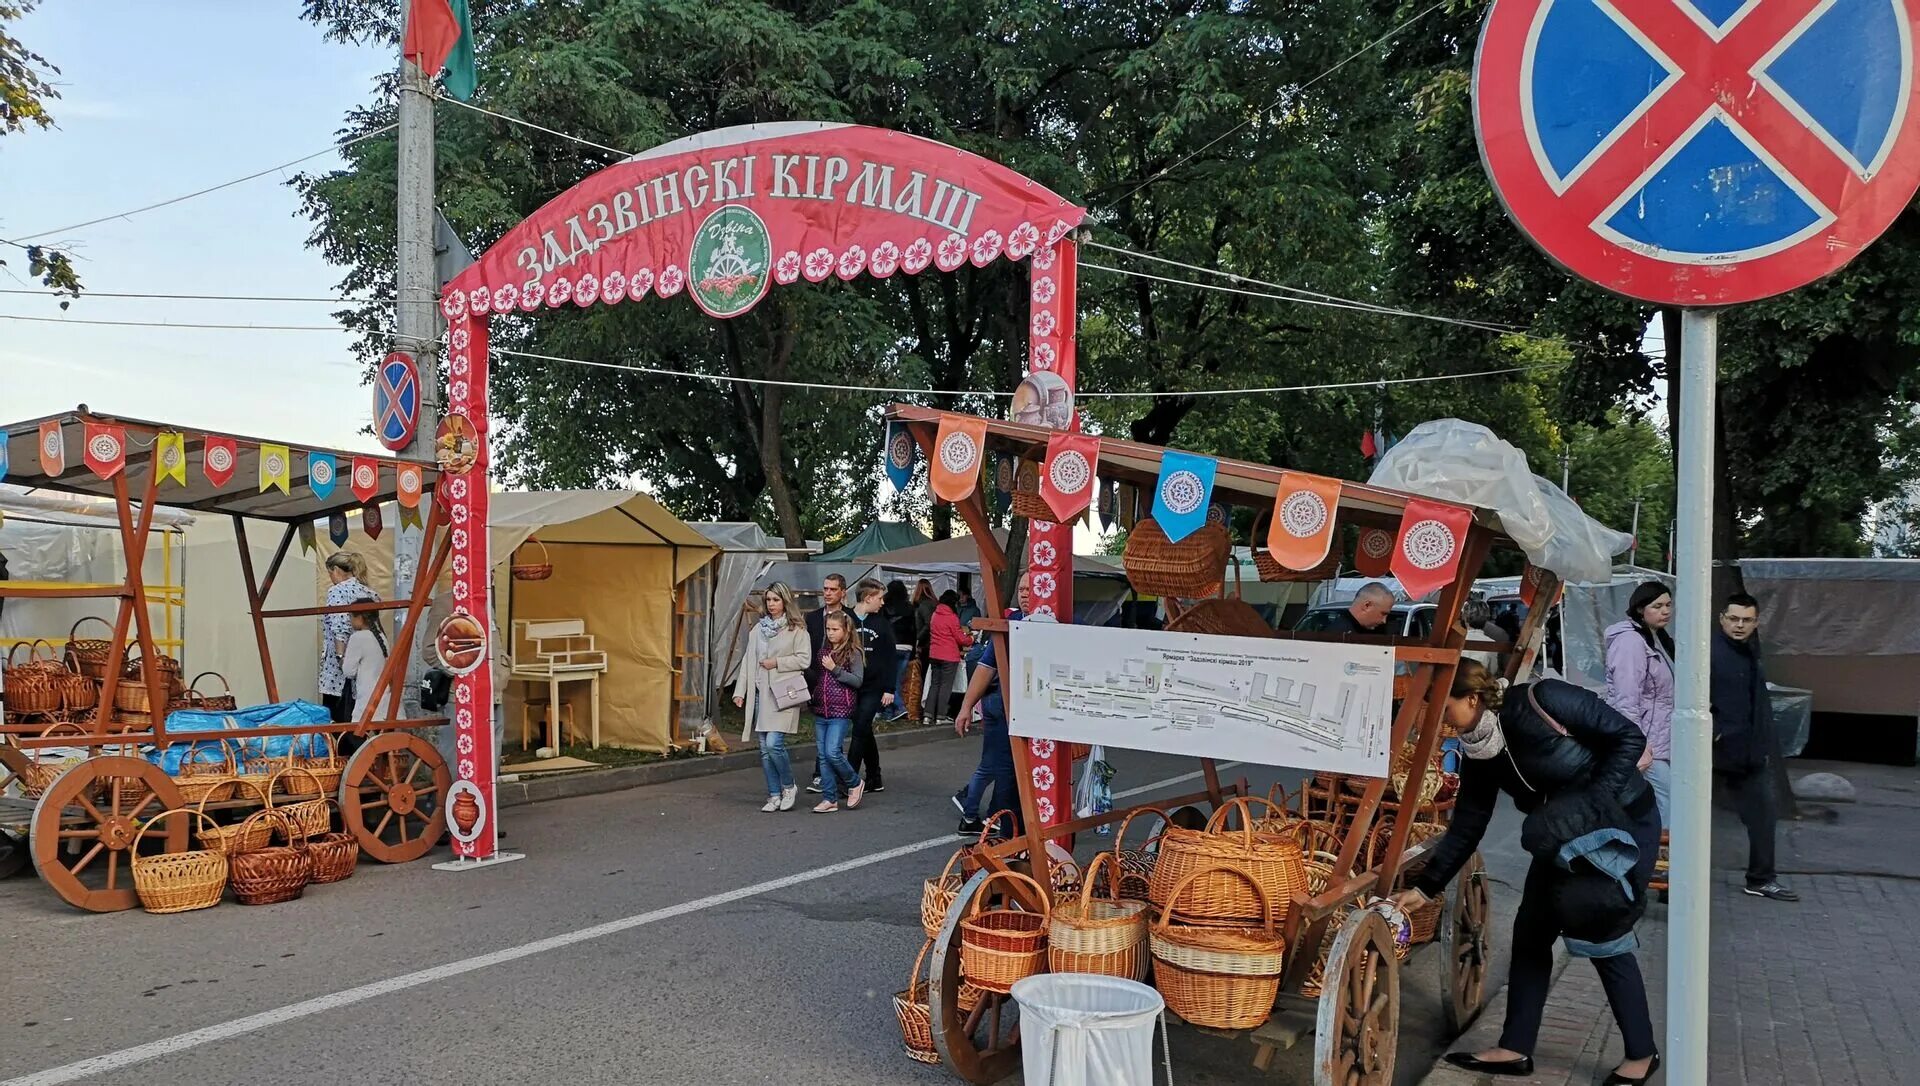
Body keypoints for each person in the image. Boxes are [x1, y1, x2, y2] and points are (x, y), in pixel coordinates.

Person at [1393, 660, 1660, 1086]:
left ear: (1473, 699)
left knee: (1600, 930)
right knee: (1532, 932)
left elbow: (1628, 736)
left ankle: (1641, 1053)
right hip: (1560, 837)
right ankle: (1514, 1047)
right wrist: (1426, 888)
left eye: (1444, 710)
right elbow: (1468, 824)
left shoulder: (1543, 700)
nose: (1440, 723)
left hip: (1619, 826)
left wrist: (1592, 802)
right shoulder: (1479, 749)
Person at [1714, 593, 1796, 902]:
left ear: (1756, 622)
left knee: (1763, 815)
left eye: (1746, 620)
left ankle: (1761, 878)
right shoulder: (1712, 652)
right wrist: (1716, 732)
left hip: (1748, 753)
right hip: (1718, 753)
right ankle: (1673, 882)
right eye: (1734, 618)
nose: (1739, 625)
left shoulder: (1748, 651)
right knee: (1690, 817)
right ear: (1722, 618)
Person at [952, 573, 1029, 838]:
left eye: (1032, 588)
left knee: (1011, 772)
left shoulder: (1062, 622)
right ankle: (1005, 831)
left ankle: (986, 817)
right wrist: (966, 707)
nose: (1026, 593)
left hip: (1038, 718)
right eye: (1021, 588)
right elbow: (986, 666)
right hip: (1004, 708)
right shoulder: (1011, 623)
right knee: (1003, 771)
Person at [732, 583, 811, 813]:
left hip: (783, 693)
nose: (772, 604)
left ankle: (789, 786)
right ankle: (774, 793)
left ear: (785, 601)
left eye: (776, 600)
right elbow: (748, 661)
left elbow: (804, 660)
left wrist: (777, 662)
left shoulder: (797, 629)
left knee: (775, 744)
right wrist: (740, 691)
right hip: (761, 694)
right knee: (764, 748)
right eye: (768, 600)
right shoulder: (758, 629)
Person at [1604, 581, 1675, 826]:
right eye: (1657, 606)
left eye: (1668, 605)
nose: (1665, 611)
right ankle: (1663, 860)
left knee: (1660, 802)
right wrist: (1638, 745)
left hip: (1659, 741)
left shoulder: (1659, 639)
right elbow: (1626, 699)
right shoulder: (1631, 642)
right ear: (1639, 609)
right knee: (1669, 799)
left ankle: (1659, 857)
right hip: (1645, 743)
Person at [809, 611, 866, 813]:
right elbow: (817, 676)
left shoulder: (853, 653)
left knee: (833, 751)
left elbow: (857, 680)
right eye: (828, 629)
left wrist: (835, 669)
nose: (831, 633)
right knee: (823, 755)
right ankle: (829, 797)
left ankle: (854, 782)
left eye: (835, 629)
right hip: (821, 708)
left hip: (841, 709)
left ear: (845, 630)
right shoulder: (823, 652)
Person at [802, 574, 853, 794]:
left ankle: (833, 778)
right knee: (823, 732)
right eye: (825, 589)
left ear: (843, 591)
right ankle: (828, 780)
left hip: (839, 676)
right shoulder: (813, 617)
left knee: (834, 734)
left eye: (833, 589)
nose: (828, 593)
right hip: (816, 675)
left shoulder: (850, 617)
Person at [847, 579, 899, 793]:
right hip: (851, 683)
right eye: (879, 597)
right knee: (864, 729)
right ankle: (874, 776)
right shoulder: (847, 618)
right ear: (867, 598)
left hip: (874, 686)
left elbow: (890, 657)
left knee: (860, 728)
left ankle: (848, 777)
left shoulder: (881, 623)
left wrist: (889, 688)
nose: (882, 602)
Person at [319, 552, 379, 723]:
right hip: (367, 666)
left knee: (339, 720)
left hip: (340, 670)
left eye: (330, 573)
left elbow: (340, 629)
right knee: (358, 716)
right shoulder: (370, 593)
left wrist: (340, 659)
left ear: (336, 570)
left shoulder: (337, 592)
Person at [340, 610, 390, 747]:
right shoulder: (381, 637)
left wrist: (342, 659)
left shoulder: (358, 638)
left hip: (367, 700)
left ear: (360, 617)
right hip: (384, 700)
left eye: (351, 616)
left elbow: (348, 671)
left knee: (354, 737)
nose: (350, 621)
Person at [922, 590, 969, 728]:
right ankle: (941, 716)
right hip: (949, 656)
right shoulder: (952, 617)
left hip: (934, 654)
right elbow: (960, 638)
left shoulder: (935, 615)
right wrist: (971, 639)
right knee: (945, 686)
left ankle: (927, 715)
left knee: (934, 684)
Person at [881, 580, 917, 721]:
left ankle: (900, 707)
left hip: (890, 646)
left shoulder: (885, 608)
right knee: (898, 680)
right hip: (907, 647)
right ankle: (890, 712)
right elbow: (914, 630)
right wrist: (913, 650)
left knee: (889, 680)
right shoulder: (909, 608)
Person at [1461, 598, 1512, 673]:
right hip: (1478, 682)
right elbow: (1492, 670)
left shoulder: (1456, 639)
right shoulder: (1492, 642)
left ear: (1465, 618)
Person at [1323, 581, 1394, 634]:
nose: (1384, 621)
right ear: (1367, 606)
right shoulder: (1338, 635)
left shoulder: (1374, 631)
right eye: (1383, 614)